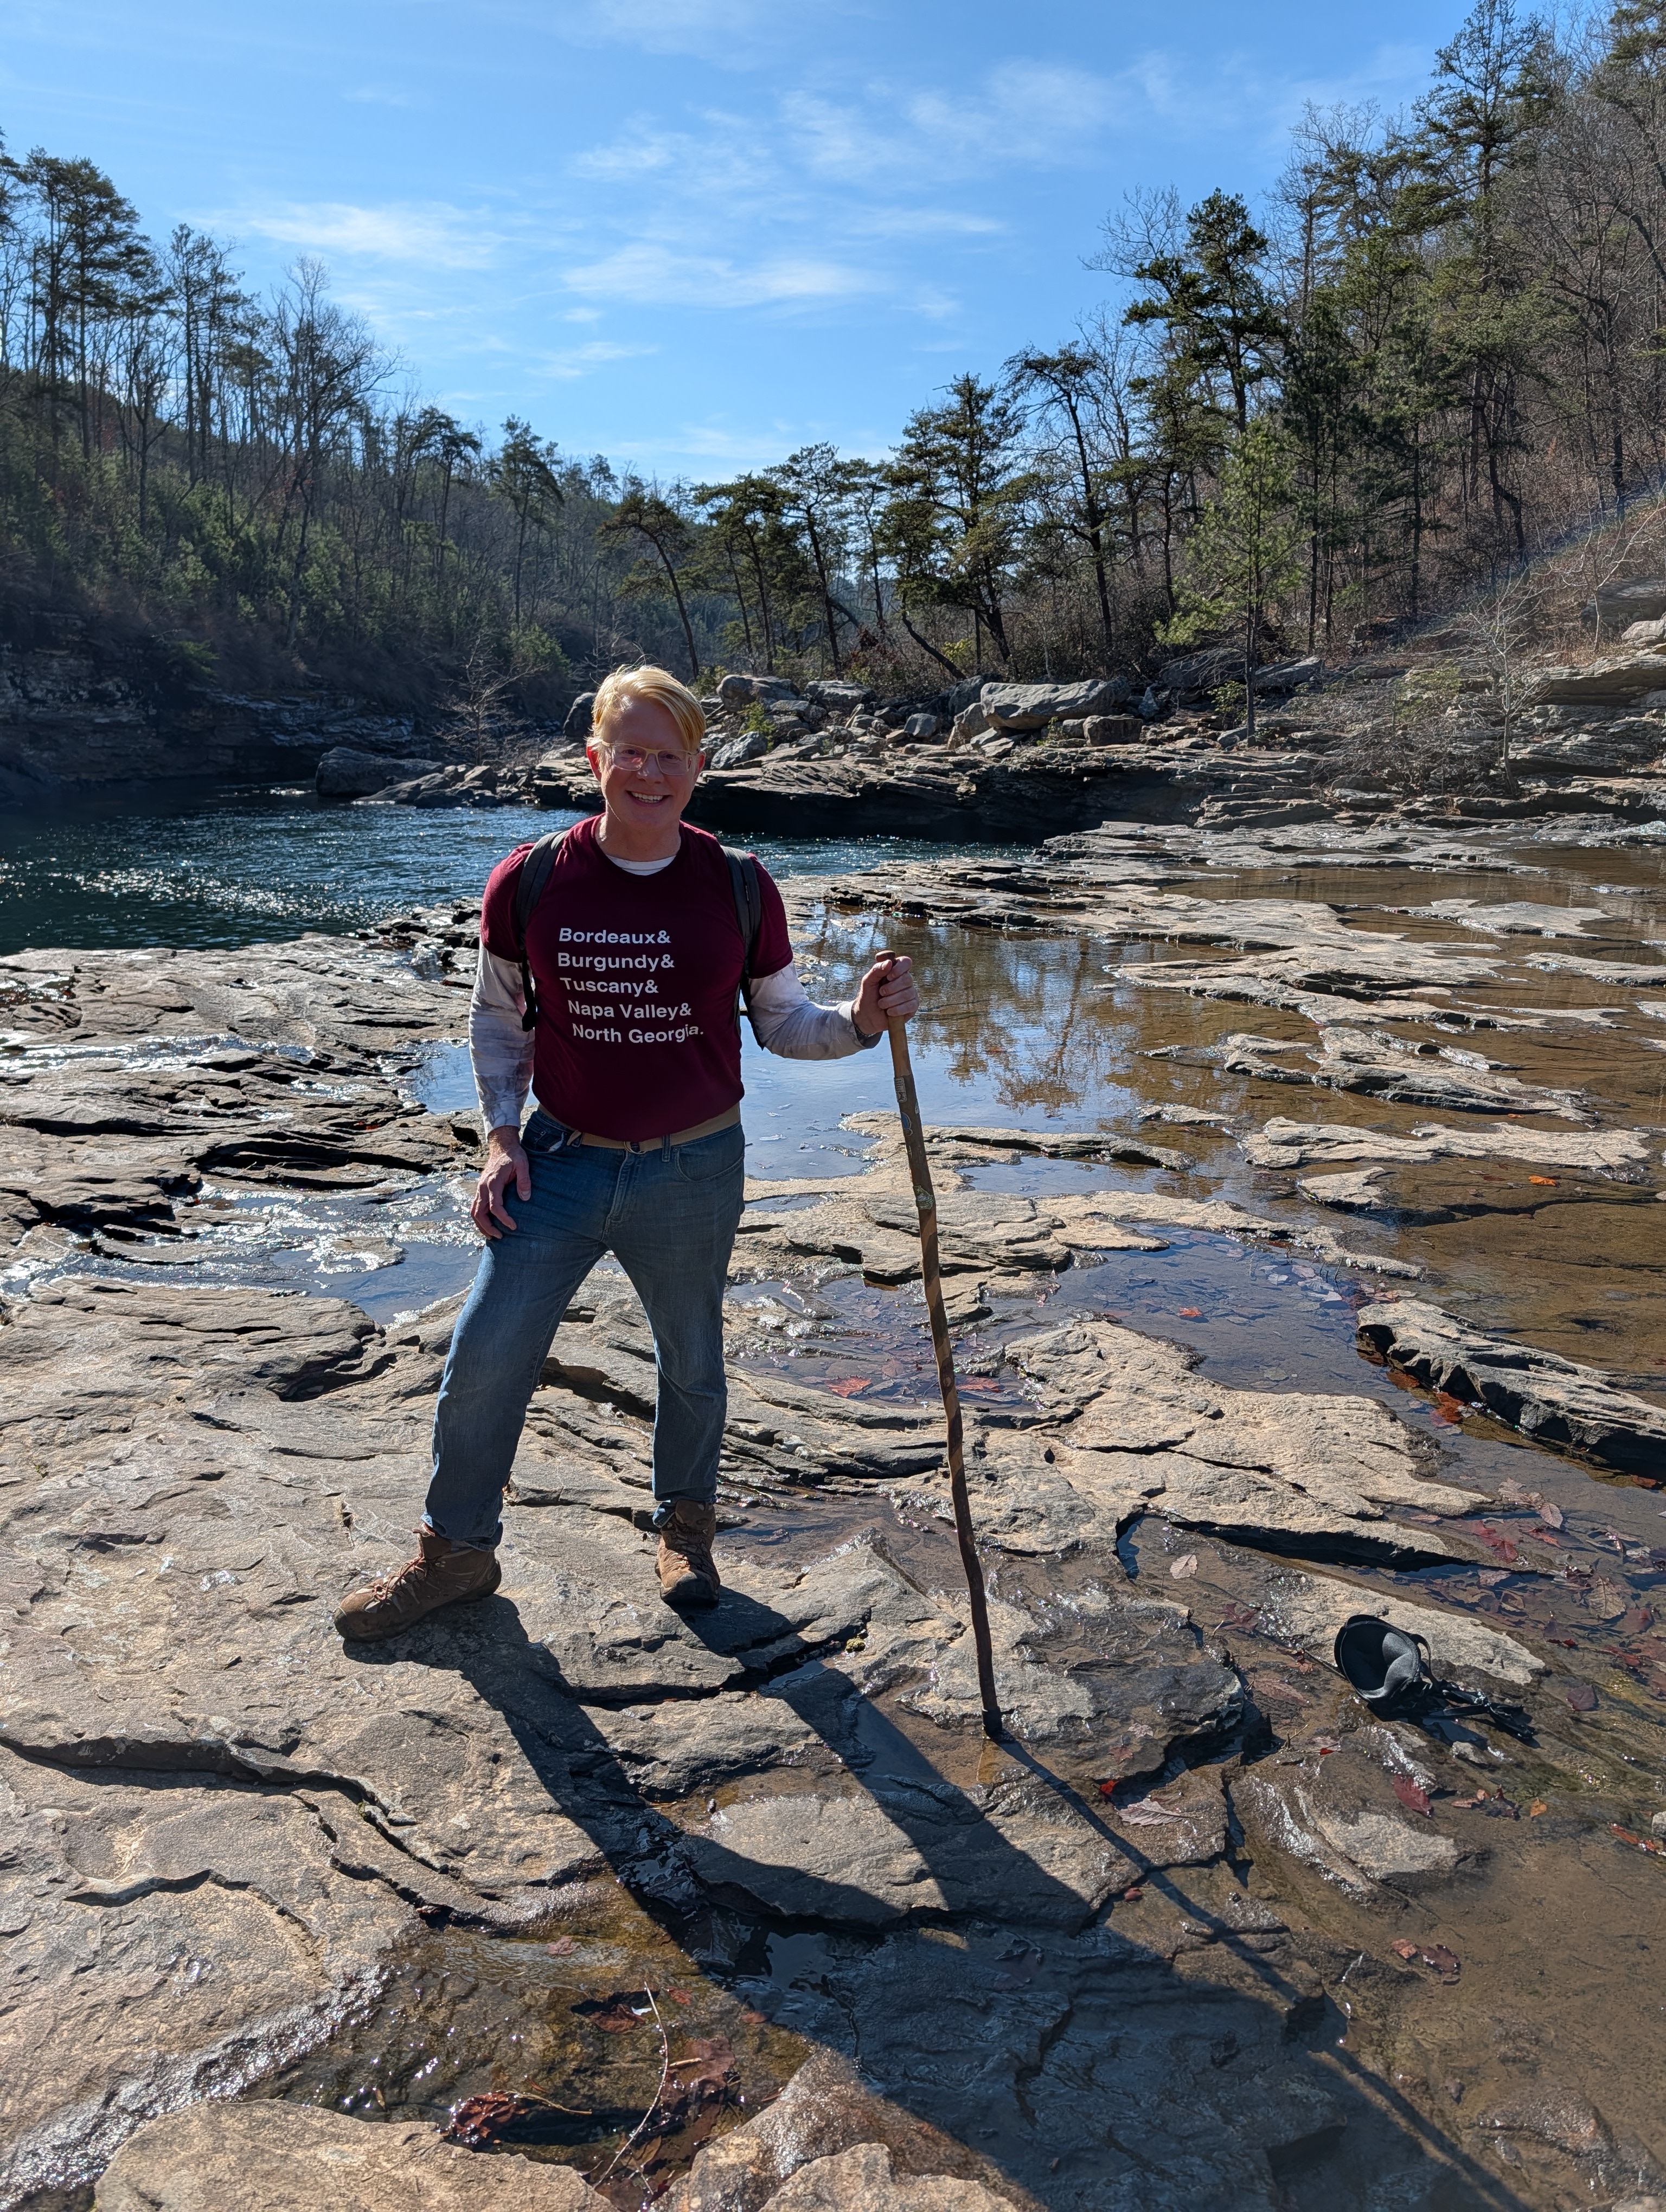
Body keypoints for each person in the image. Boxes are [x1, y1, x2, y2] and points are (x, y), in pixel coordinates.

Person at [335, 665, 918, 1641]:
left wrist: (859, 1021)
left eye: (671, 756)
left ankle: (685, 1530)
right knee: (485, 1354)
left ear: (700, 765)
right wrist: (500, 1139)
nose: (650, 773)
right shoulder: (530, 880)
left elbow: (783, 1024)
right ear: (595, 757)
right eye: (632, 752)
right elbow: (497, 1021)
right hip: (559, 1162)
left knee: (691, 1360)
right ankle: (456, 1553)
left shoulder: (738, 884)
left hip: (695, 1166)